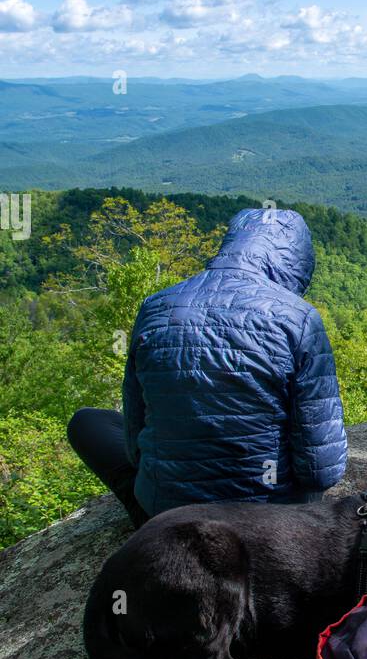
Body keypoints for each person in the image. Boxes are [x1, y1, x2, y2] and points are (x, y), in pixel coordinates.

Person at [67, 206, 347, 527]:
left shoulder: (155, 307)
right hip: (270, 525)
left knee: (87, 422)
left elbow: (135, 446)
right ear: (297, 259)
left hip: (167, 518)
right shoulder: (299, 318)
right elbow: (322, 469)